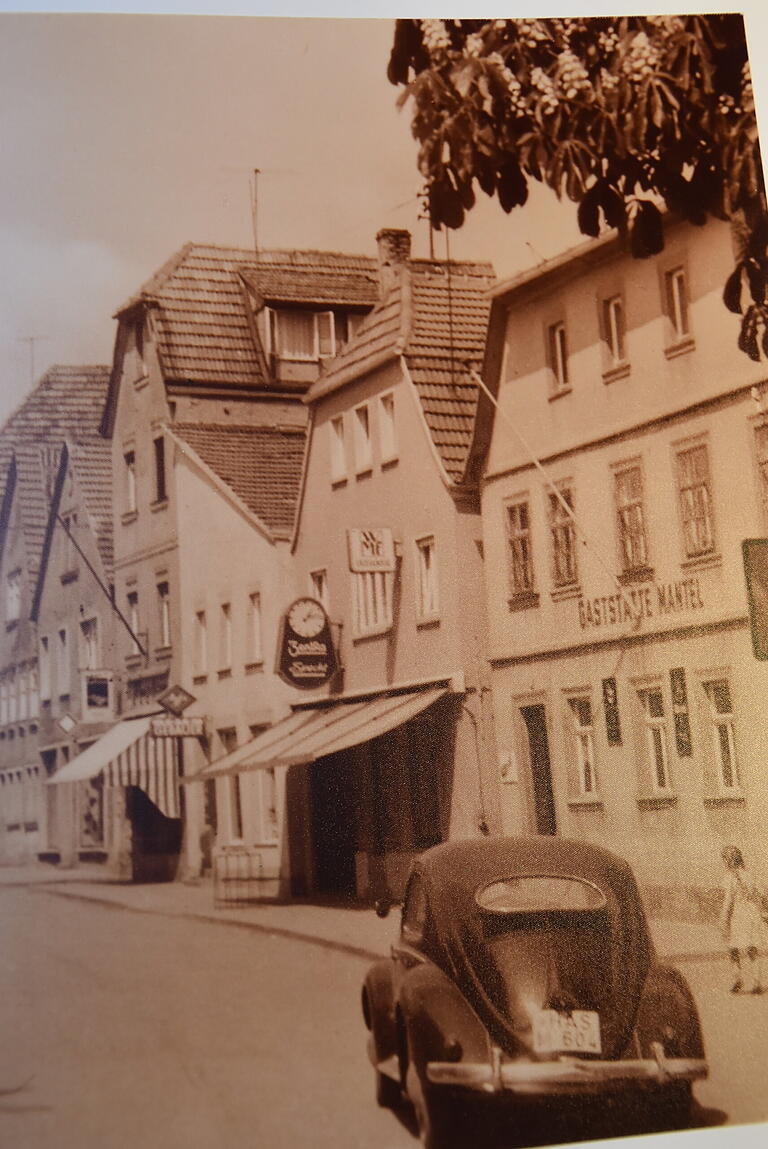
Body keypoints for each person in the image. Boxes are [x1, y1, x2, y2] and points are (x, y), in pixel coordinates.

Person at [719, 845, 766, 994]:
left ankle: (737, 979)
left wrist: (723, 919)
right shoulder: (750, 875)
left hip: (739, 915)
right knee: (752, 949)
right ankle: (756, 982)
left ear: (728, 861)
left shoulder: (729, 878)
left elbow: (728, 902)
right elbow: (762, 895)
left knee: (733, 948)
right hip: (753, 914)